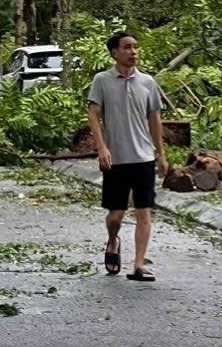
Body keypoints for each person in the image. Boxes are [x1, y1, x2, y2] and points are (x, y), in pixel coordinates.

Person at [87, 31, 167, 282]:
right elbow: (93, 115)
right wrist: (102, 147)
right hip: (116, 158)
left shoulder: (147, 83)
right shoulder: (102, 80)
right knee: (116, 215)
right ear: (115, 53)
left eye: (135, 47)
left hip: (143, 158)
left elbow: (154, 118)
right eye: (127, 47)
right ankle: (113, 239)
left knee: (144, 212)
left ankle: (138, 265)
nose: (133, 52)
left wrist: (161, 154)